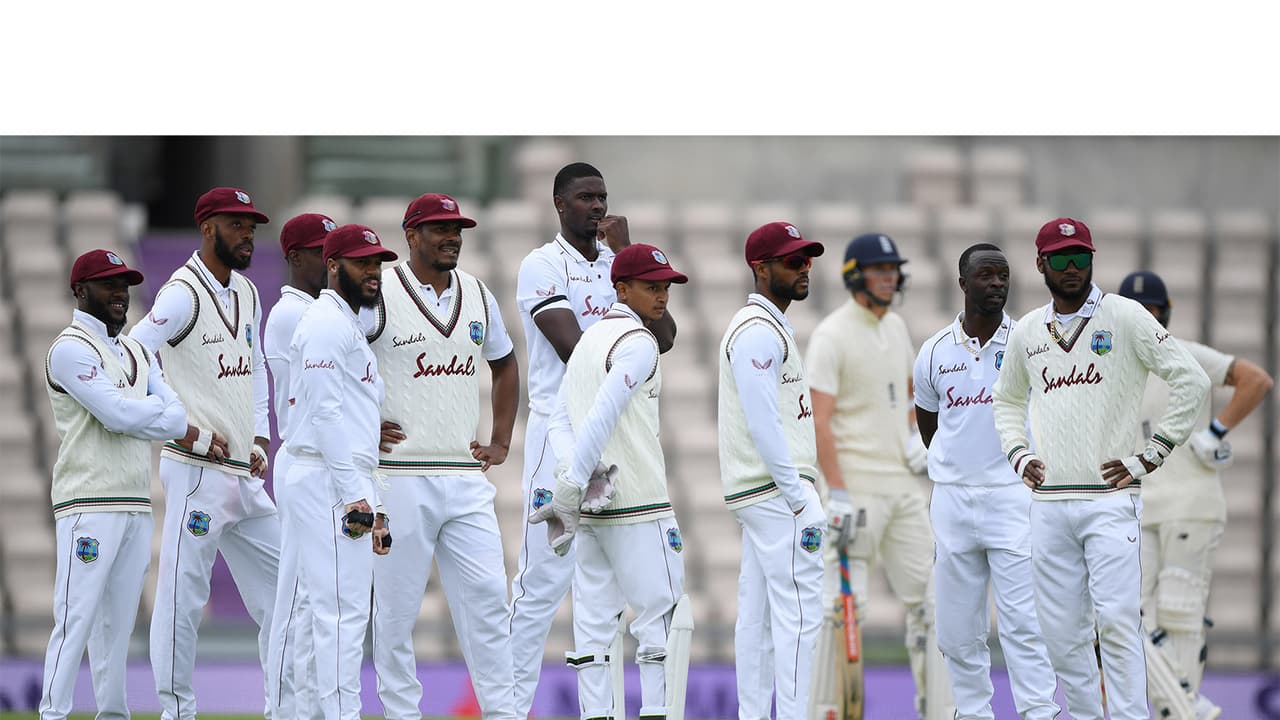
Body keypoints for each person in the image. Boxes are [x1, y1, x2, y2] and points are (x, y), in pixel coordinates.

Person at [991, 218, 1211, 720]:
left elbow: (1191, 381)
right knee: (1063, 634)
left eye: (1082, 257)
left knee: (1115, 622)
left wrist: (1152, 453)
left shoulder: (1126, 316)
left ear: (1093, 259)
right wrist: (1019, 453)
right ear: (1040, 264)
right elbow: (1006, 402)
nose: (1073, 268)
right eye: (1062, 259)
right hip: (1048, 505)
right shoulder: (1027, 330)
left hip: (1110, 502)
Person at [508, 162, 676, 717]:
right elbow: (577, 355)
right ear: (560, 204)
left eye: (603, 197)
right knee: (539, 589)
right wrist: (628, 324)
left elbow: (665, 337)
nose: (598, 207)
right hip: (559, 440)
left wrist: (630, 254)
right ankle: (506, 709)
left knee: (605, 593)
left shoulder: (616, 264)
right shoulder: (542, 265)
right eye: (585, 197)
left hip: (614, 448)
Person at [128, 187, 282, 720]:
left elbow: (256, 364)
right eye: (237, 224)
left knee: (289, 594)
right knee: (181, 600)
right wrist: (181, 429)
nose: (248, 234)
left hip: (245, 475)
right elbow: (133, 351)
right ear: (208, 227)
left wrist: (260, 436)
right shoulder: (181, 294)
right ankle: (177, 713)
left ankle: (285, 707)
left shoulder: (246, 291)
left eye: (252, 225)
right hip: (197, 473)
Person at [367, 194, 520, 720]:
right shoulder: (380, 292)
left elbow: (504, 364)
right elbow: (339, 362)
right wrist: (363, 426)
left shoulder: (477, 293)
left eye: (457, 229)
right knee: (394, 616)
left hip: (463, 473)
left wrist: (500, 440)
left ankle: (503, 713)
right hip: (397, 478)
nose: (452, 236)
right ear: (411, 235)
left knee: (488, 605)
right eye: (439, 229)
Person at [531, 243, 691, 720]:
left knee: (595, 634)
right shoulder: (638, 342)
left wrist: (577, 479)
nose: (661, 296)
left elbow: (559, 422)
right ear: (620, 287)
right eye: (650, 286)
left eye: (665, 287)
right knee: (661, 624)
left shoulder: (588, 341)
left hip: (595, 509)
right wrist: (576, 480)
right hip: (640, 505)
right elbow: (602, 413)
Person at [805, 232, 953, 719]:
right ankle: (828, 711)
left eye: (893, 271)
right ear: (854, 276)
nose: (889, 278)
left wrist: (915, 438)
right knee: (844, 609)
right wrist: (838, 492)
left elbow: (908, 397)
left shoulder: (897, 329)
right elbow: (819, 422)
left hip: (903, 489)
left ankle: (937, 710)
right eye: (879, 270)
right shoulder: (831, 335)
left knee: (934, 605)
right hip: (857, 489)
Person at [37, 250, 189, 720]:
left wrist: (136, 415)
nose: (120, 293)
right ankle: (53, 714)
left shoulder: (139, 349)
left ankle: (113, 715)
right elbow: (117, 415)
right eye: (108, 284)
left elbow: (178, 417)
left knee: (118, 626)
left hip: (135, 502)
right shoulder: (69, 348)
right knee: (76, 617)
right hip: (88, 500)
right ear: (80, 291)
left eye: (124, 284)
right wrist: (147, 414)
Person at [912, 243, 1060, 720]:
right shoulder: (934, 351)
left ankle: (1039, 710)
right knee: (957, 627)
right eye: (985, 276)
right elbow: (929, 425)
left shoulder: (1031, 342)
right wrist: (959, 467)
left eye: (1003, 276)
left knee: (1023, 621)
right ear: (963, 284)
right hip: (953, 503)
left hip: (1013, 499)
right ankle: (972, 712)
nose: (997, 284)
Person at [1118, 270, 1274, 719]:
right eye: (1138, 312)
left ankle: (1177, 711)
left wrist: (1216, 430)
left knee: (1180, 613)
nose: (1147, 319)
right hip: (1140, 508)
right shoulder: (1113, 371)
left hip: (1193, 503)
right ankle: (1186, 707)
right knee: (1119, 614)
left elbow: (1256, 380)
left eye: (1153, 311)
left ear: (1165, 314)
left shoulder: (1184, 354)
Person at [282, 223, 395, 719]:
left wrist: (377, 502)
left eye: (376, 263)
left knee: (344, 614)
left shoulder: (345, 323)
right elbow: (325, 415)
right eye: (361, 262)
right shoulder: (327, 324)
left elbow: (356, 424)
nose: (373, 272)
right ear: (332, 265)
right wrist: (356, 496)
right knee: (337, 615)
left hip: (342, 479)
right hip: (326, 479)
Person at [717, 221, 826, 720]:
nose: (805, 269)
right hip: (776, 492)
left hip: (760, 493)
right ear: (761, 269)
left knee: (758, 620)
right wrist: (799, 495)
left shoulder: (765, 327)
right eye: (792, 262)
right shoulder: (758, 332)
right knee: (801, 618)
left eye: (806, 260)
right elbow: (764, 424)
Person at [264, 212, 337, 720]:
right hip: (305, 457)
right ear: (294, 257)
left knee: (318, 601)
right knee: (295, 601)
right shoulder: (292, 313)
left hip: (325, 460)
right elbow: (310, 400)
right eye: (321, 250)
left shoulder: (323, 311)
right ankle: (283, 709)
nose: (331, 260)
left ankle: (309, 707)